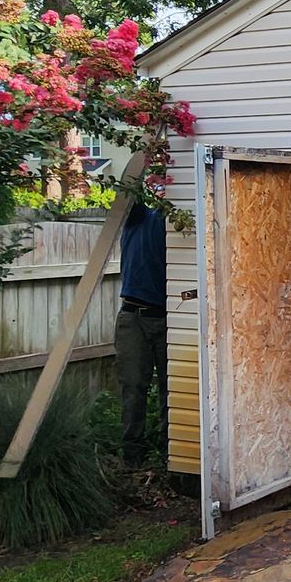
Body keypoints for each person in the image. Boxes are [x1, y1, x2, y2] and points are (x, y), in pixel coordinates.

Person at [116, 200, 169, 468]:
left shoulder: (176, 222)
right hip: (134, 317)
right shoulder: (137, 216)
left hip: (168, 318)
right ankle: (133, 456)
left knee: (170, 389)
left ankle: (169, 454)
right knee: (134, 387)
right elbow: (127, 191)